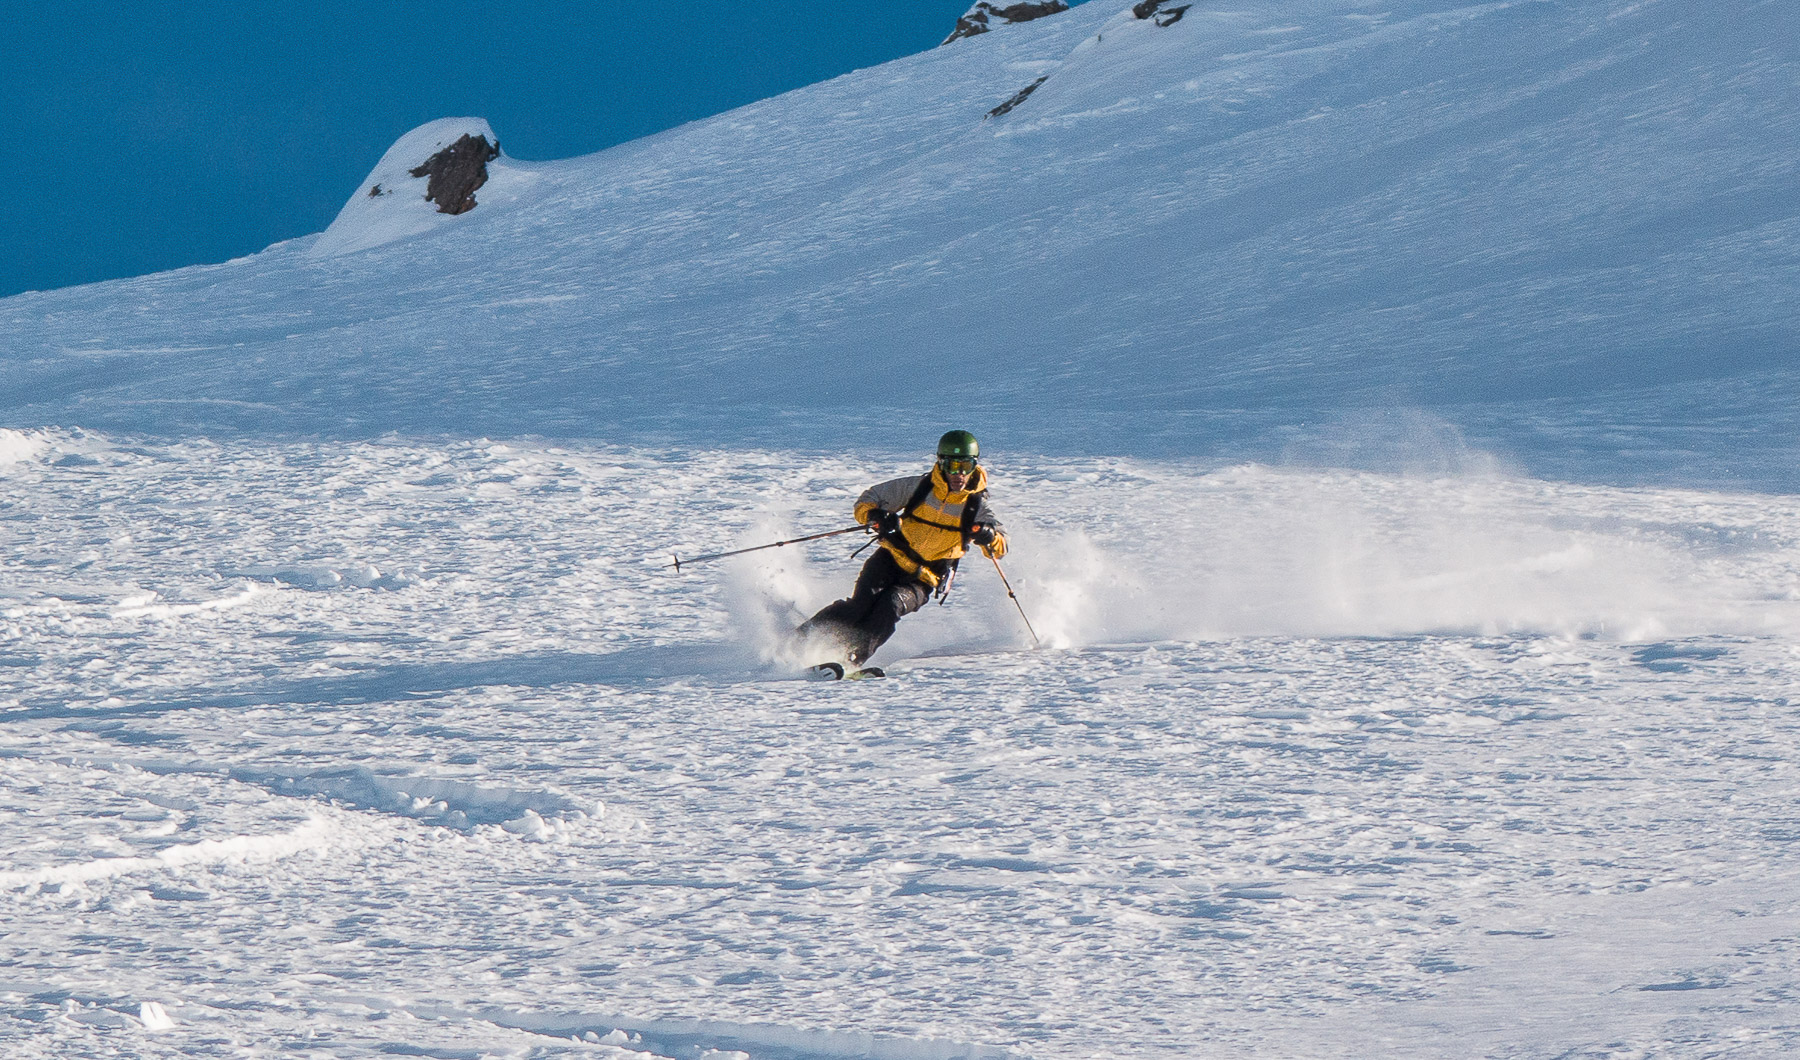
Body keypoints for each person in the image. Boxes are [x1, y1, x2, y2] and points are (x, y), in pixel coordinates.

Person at [797, 430, 1008, 669]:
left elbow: (1000, 546)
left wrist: (988, 536)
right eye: (952, 465)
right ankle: (800, 639)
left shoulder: (976, 506)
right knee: (860, 605)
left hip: (925, 578)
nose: (958, 474)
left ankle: (851, 660)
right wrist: (876, 516)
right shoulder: (918, 488)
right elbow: (868, 499)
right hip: (891, 559)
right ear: (940, 462)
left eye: (965, 465)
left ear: (974, 466)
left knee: (891, 604)